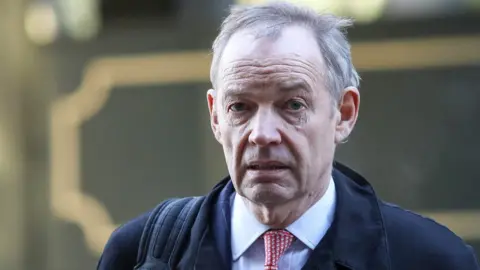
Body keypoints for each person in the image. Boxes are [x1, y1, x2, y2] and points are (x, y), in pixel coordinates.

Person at [97, 2, 479, 270]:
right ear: (215, 116)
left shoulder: (431, 259)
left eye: (293, 106)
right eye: (240, 108)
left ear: (343, 114)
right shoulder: (138, 254)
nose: (262, 135)